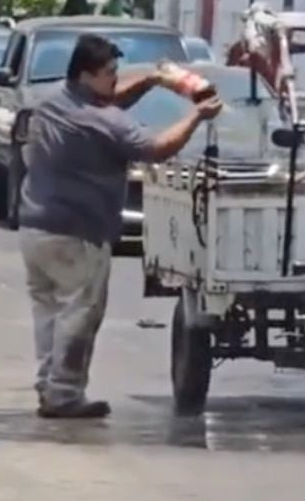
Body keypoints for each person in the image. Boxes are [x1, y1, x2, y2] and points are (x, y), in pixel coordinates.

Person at [17, 34, 224, 418]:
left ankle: (51, 386)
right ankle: (63, 395)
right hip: (77, 232)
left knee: (49, 314)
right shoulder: (103, 122)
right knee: (80, 314)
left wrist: (148, 82)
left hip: (34, 227)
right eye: (109, 73)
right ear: (85, 76)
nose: (114, 79)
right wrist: (196, 115)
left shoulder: (53, 103)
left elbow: (109, 102)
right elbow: (156, 149)